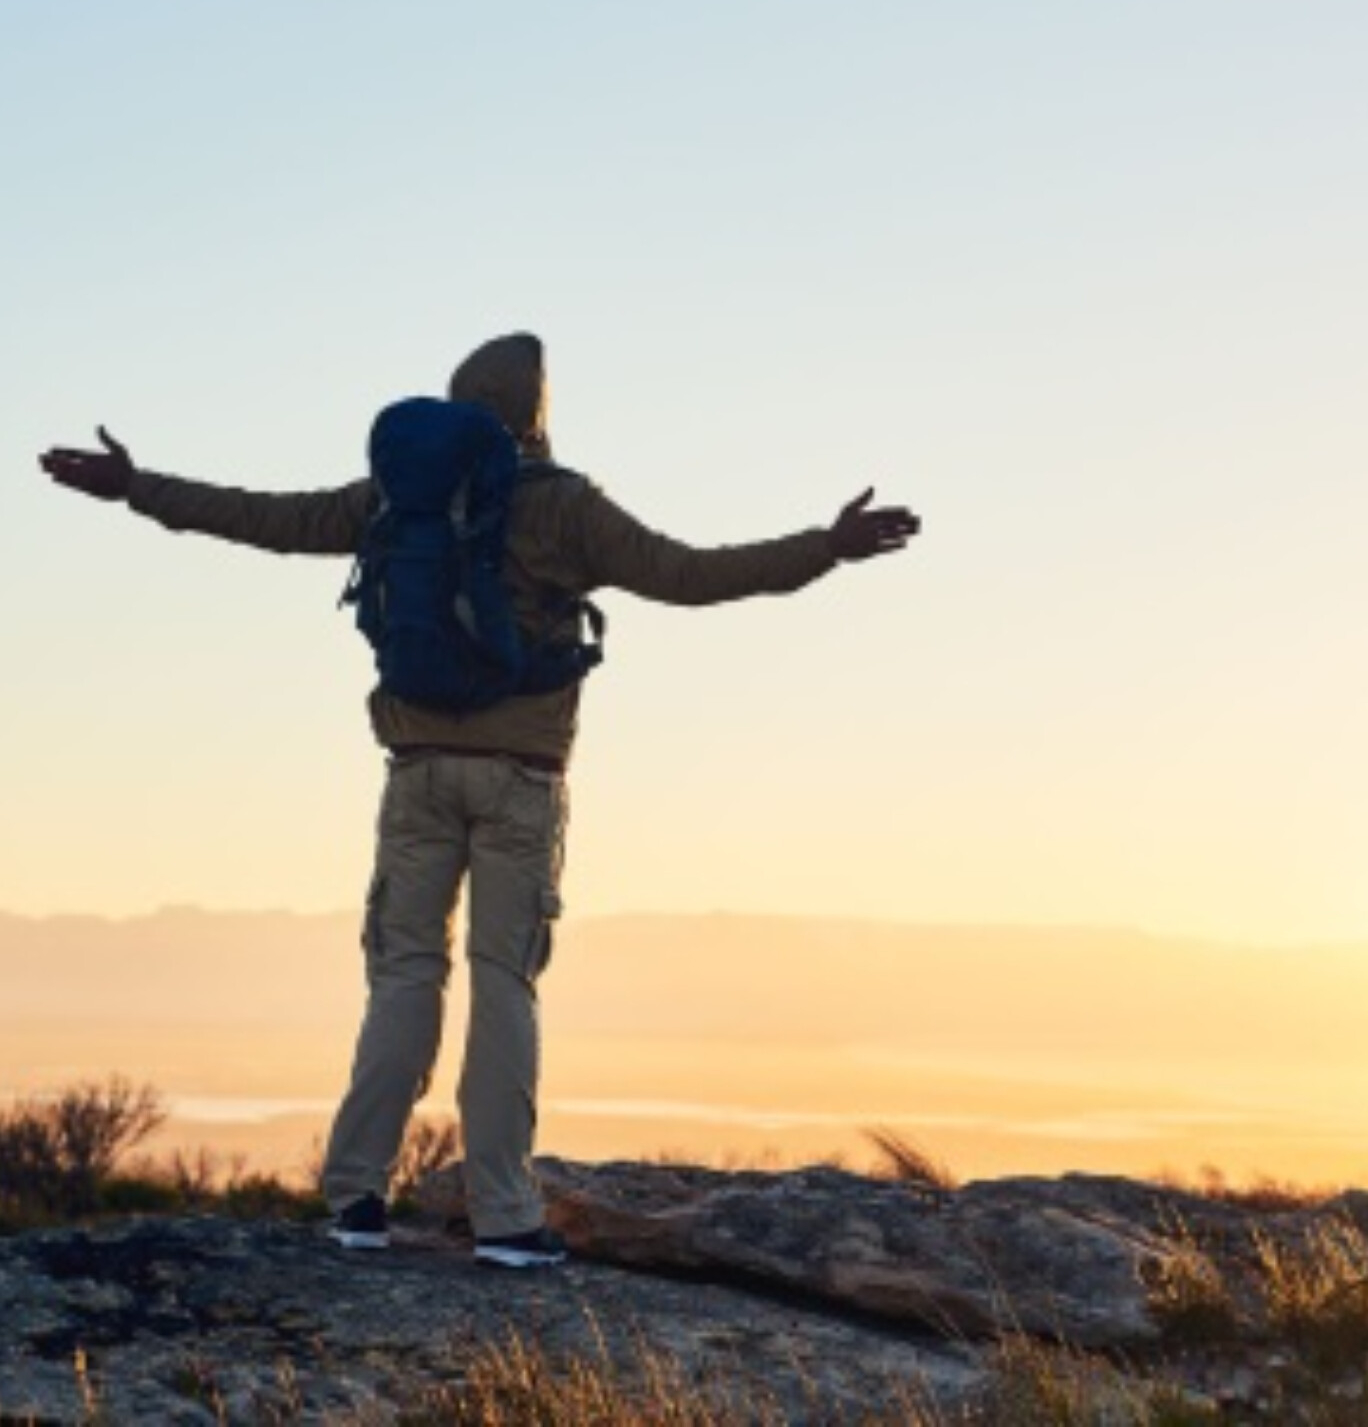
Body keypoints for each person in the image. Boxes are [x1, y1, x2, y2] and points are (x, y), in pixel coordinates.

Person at [39, 331, 921, 1266]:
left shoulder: (399, 498)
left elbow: (266, 518)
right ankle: (505, 1215)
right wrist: (825, 548)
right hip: (521, 781)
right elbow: (692, 577)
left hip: (415, 771)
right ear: (538, 414)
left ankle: (354, 1198)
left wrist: (135, 488)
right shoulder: (565, 507)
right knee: (505, 981)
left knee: (403, 974)